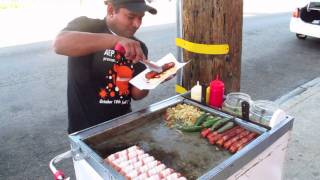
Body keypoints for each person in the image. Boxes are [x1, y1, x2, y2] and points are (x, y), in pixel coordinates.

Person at [53, 0, 157, 134]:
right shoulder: (87, 26)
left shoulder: (138, 46)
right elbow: (59, 44)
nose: (137, 24)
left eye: (141, 18)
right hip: (85, 129)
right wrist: (116, 40)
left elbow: (136, 94)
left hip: (123, 126)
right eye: (131, 17)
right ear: (111, 10)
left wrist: (153, 78)